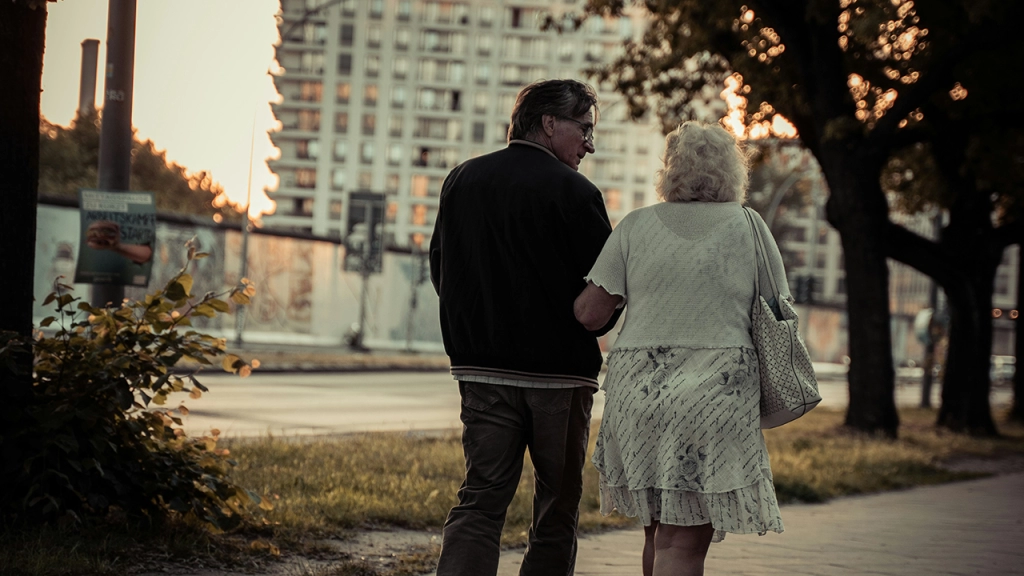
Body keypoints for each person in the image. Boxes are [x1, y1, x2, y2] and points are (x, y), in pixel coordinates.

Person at [574, 121, 787, 576]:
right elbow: (778, 311)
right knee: (682, 545)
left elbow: (591, 314)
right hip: (716, 397)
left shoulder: (635, 226)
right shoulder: (749, 228)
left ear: (669, 171)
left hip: (639, 398)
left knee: (658, 536)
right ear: (734, 173)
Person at [429, 79, 620, 576]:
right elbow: (606, 289)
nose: (589, 144)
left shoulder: (461, 180)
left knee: (480, 500)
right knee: (557, 506)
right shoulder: (577, 193)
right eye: (585, 129)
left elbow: (442, 271)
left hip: (481, 372)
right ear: (549, 122)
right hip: (559, 379)